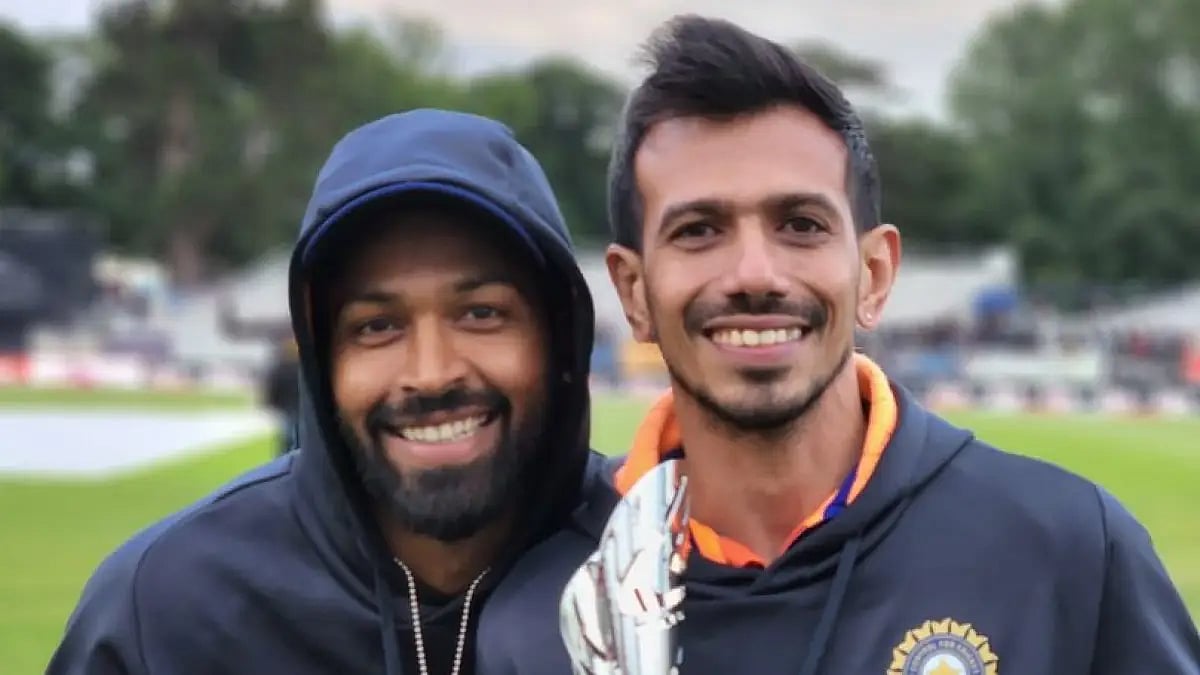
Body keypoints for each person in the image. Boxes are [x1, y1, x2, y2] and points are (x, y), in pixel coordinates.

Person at [476, 15, 1200, 675]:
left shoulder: (1068, 552)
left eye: (800, 224)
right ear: (633, 292)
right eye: (698, 229)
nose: (754, 274)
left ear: (874, 274)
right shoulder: (542, 611)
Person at [47, 108, 611, 675]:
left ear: (559, 336)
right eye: (376, 326)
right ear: (322, 359)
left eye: (481, 313)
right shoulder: (168, 608)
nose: (433, 373)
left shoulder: (655, 576)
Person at [217, 296, 301, 455]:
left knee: (292, 435)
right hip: (290, 398)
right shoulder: (284, 335)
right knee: (291, 435)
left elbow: (236, 330)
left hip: (293, 397)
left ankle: (286, 463)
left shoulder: (295, 332)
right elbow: (235, 329)